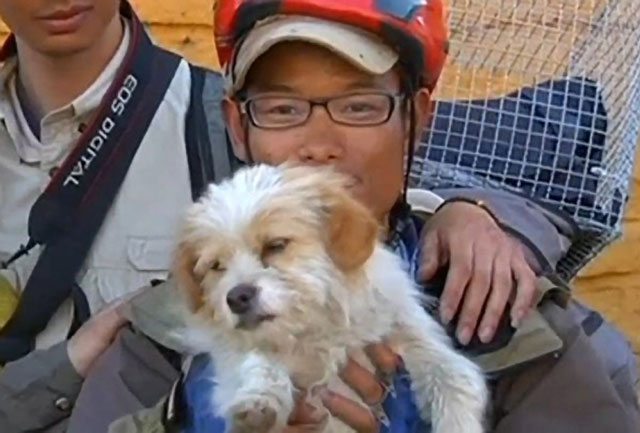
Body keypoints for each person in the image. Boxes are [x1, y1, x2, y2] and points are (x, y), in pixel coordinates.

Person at [0, 1, 637, 432]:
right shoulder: (160, 343)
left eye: (359, 107)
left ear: (417, 118)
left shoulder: (511, 323)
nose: (319, 141)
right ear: (238, 127)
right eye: (281, 109)